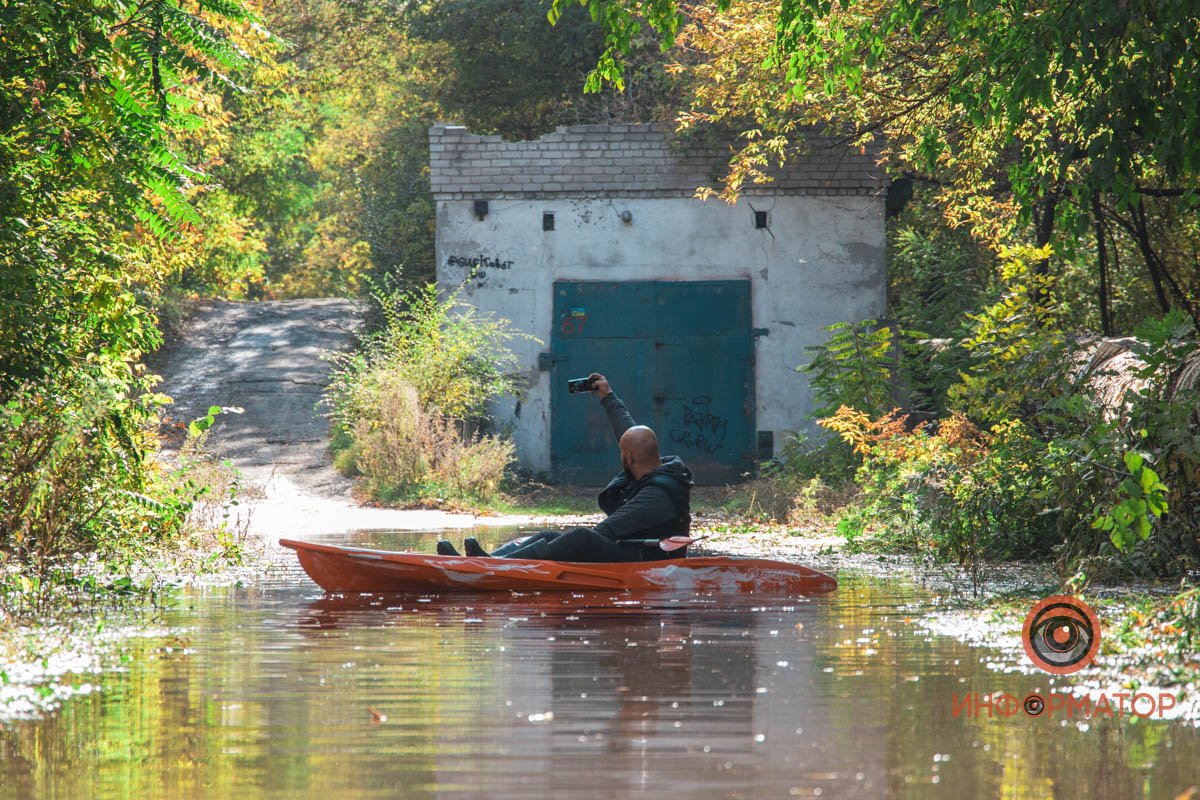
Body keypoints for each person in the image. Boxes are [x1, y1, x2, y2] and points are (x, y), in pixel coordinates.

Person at [437, 372, 694, 562]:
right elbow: (629, 433)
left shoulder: (655, 496)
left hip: (645, 558)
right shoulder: (652, 464)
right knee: (548, 536)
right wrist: (607, 396)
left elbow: (606, 531)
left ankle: (498, 567)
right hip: (633, 546)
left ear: (628, 458)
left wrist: (575, 545)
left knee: (581, 537)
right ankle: (487, 559)